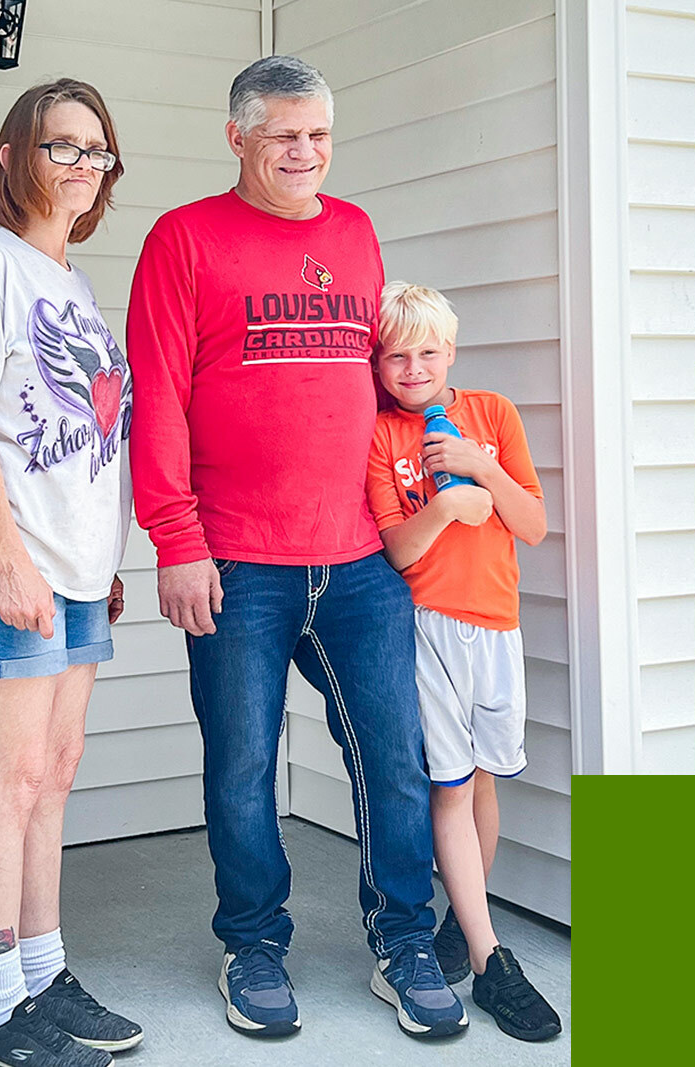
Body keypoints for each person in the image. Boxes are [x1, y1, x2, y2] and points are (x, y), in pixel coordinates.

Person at [127, 56, 469, 1041]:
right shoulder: (183, 238)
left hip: (359, 559)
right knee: (241, 764)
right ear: (237, 136)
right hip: (236, 560)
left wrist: (452, 445)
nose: (304, 152)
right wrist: (176, 541)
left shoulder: (354, 231)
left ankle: (403, 938)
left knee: (393, 756)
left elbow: (386, 376)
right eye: (284, 134)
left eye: (318, 134)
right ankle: (253, 944)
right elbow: (159, 398)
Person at [0, 78, 142, 1067]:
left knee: (52, 776)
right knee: (10, 782)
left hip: (76, 573)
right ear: (15, 156)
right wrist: (13, 560)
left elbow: (82, 440)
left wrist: (100, 560)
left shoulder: (72, 284)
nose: (83, 165)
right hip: (5, 570)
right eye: (63, 146)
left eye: (97, 151)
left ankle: (45, 975)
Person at [366, 282, 562, 1042]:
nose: (413, 368)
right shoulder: (382, 435)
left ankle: (461, 919)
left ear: (450, 351)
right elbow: (398, 550)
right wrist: (445, 505)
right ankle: (490, 959)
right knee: (448, 788)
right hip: (428, 631)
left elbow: (532, 524)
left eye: (427, 352)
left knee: (482, 781)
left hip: (497, 627)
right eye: (396, 356)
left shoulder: (493, 415)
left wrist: (482, 467)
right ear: (378, 363)